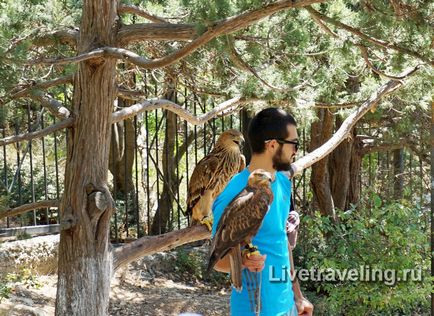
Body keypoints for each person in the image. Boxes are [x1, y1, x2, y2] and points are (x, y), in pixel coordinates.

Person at [211, 108, 313, 316]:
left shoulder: (282, 183)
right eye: (293, 144)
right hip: (253, 309)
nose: (295, 151)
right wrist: (244, 260)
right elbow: (218, 261)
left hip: (287, 307)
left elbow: (281, 241)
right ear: (272, 145)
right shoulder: (232, 193)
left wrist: (298, 296)